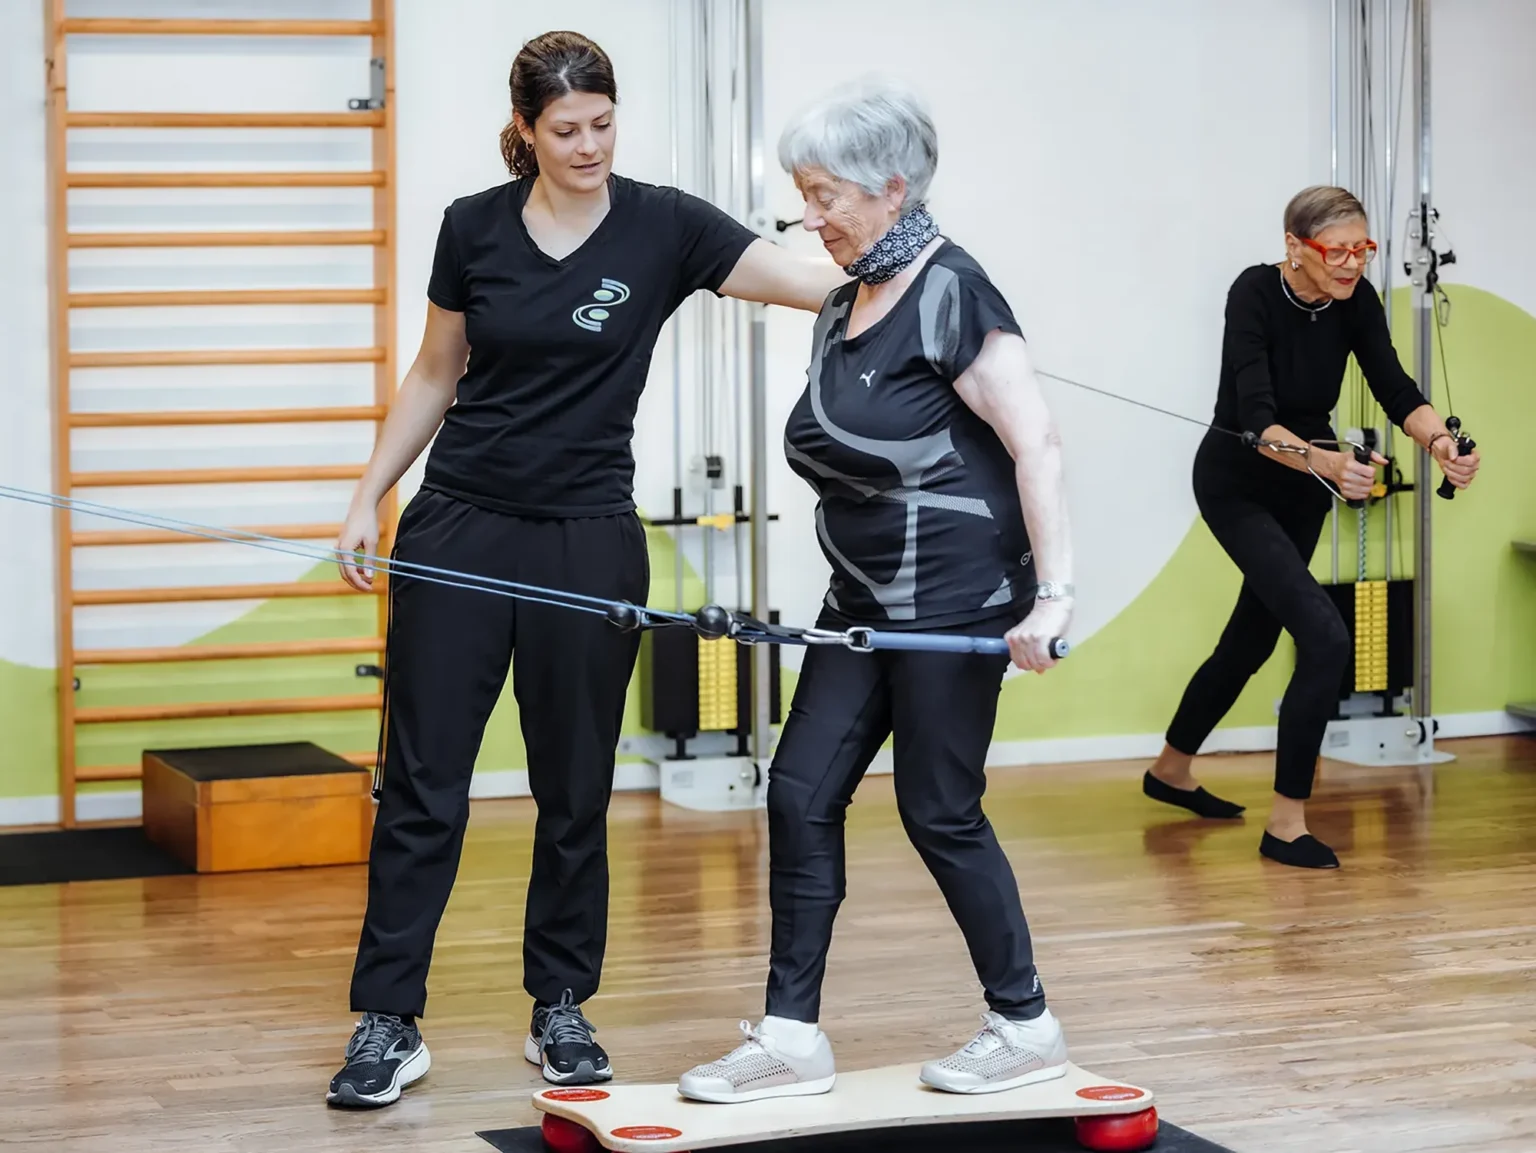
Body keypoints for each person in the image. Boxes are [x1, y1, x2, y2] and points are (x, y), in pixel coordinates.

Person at [324, 30, 846, 1108]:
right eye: (566, 129)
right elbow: (434, 372)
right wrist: (367, 493)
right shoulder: (473, 225)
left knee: (575, 786)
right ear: (526, 129)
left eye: (603, 123)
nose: (589, 144)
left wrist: (892, 254)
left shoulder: (666, 225)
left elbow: (808, 286)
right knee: (424, 785)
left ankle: (560, 1003)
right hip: (460, 530)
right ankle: (390, 1017)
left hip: (588, 535)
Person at [675, 80, 1076, 1104]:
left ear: (891, 190)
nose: (811, 218)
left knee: (938, 809)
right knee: (801, 791)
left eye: (825, 197)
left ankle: (1025, 1023)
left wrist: (1054, 599)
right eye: (803, 196)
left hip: (956, 602)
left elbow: (1036, 448)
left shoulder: (956, 293)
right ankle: (789, 1036)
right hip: (860, 605)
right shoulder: (845, 300)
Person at [1142, 185, 1481, 869]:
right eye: (1338, 250)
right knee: (1326, 636)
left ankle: (1170, 770)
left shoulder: (1355, 300)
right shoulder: (1254, 294)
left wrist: (1439, 440)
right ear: (1295, 247)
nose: (1353, 264)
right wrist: (1330, 461)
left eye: (1364, 249)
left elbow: (1394, 385)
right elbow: (1260, 419)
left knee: (1250, 638)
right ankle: (1286, 825)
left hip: (1304, 491)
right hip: (1238, 481)